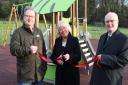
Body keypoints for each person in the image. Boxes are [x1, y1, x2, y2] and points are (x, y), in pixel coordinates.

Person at [10, 6, 47, 85]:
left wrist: (44, 67)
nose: (29, 18)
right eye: (27, 16)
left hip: (39, 74)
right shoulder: (18, 32)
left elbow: (43, 51)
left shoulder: (39, 32)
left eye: (32, 16)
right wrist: (28, 49)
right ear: (23, 17)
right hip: (25, 77)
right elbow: (13, 50)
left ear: (34, 18)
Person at [90, 12, 128, 85]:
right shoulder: (102, 37)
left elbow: (123, 60)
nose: (109, 23)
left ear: (117, 22)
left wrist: (103, 58)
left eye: (112, 21)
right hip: (97, 77)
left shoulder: (124, 39)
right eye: (107, 21)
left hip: (110, 79)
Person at [50, 20, 81, 85]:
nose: (63, 30)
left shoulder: (74, 40)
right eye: (60, 29)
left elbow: (78, 56)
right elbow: (53, 56)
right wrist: (56, 60)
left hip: (71, 74)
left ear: (68, 28)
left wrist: (70, 56)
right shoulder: (57, 40)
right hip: (60, 75)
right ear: (59, 32)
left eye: (64, 28)